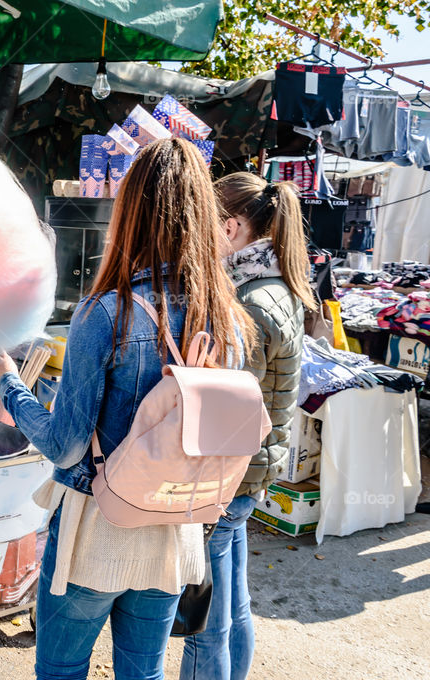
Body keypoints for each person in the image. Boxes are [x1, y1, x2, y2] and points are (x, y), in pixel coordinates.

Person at [0, 138, 255, 680]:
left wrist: (10, 383)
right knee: (146, 673)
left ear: (128, 212)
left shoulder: (105, 313)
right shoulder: (228, 320)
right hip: (175, 526)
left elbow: (65, 445)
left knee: (62, 669)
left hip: (97, 522)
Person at [179, 173, 312, 680]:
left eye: (209, 223)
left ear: (231, 226)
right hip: (252, 474)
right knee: (233, 603)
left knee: (204, 616)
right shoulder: (277, 285)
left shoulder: (248, 301)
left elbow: (227, 412)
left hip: (230, 477)